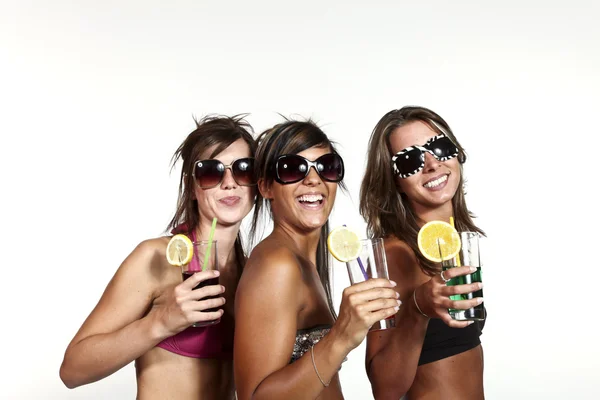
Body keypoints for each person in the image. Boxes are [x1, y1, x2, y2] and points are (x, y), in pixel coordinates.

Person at [59, 115, 258, 400]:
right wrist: (162, 321)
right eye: (211, 172)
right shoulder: (155, 258)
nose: (229, 183)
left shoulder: (254, 274)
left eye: (243, 169)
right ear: (192, 187)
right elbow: (72, 370)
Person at [234, 119, 401, 400]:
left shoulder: (303, 261)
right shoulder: (278, 265)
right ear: (265, 187)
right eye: (292, 169)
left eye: (327, 166)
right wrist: (342, 337)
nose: (313, 179)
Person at [360, 106, 486, 400]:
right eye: (410, 160)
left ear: (457, 154)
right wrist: (417, 308)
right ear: (394, 181)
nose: (431, 164)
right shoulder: (394, 255)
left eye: (440, 147)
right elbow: (384, 389)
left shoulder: (457, 245)